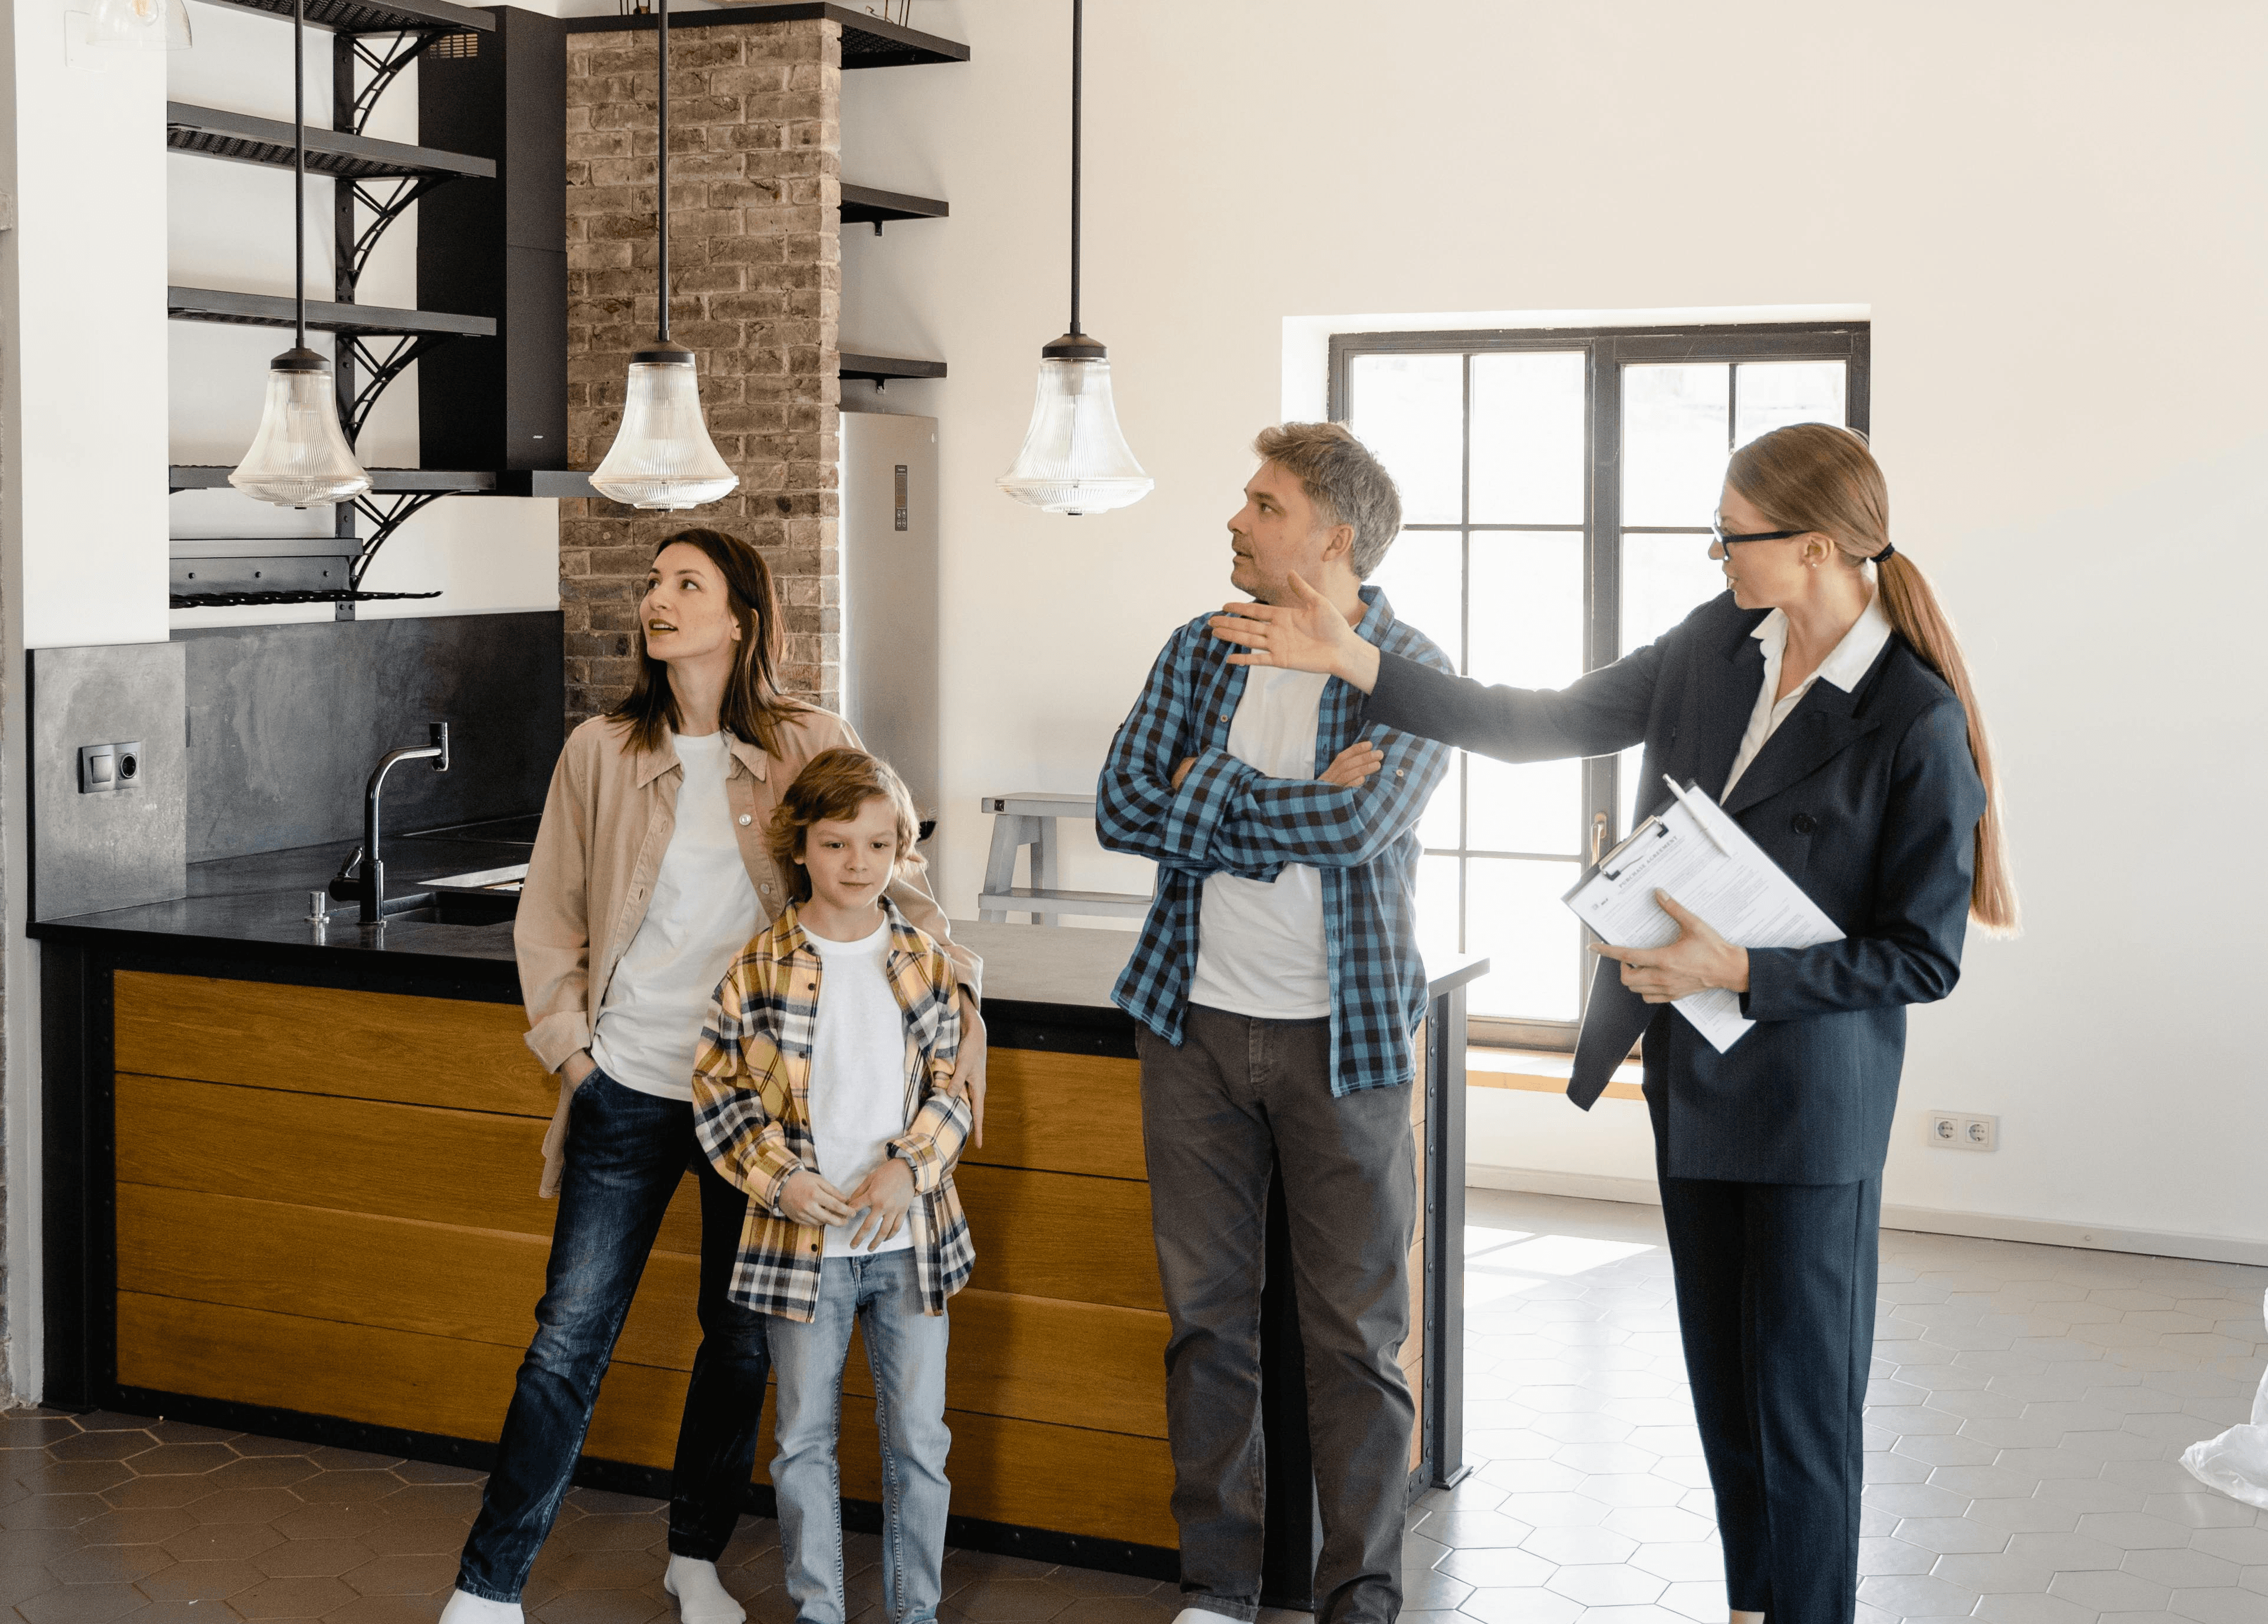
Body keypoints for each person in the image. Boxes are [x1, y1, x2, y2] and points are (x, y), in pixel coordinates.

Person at [1209, 422, 2017, 1624]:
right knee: (1725, 1394)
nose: (1716, 556)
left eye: (1734, 537)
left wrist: (1736, 961)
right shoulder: (1713, 645)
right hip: (1694, 1075)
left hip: (1810, 1107)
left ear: (1817, 547)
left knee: (1803, 1409)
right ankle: (1753, 1607)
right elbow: (1536, 723)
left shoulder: (1914, 717)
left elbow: (1920, 955)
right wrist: (1360, 663)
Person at [442, 532, 986, 1624]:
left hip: (766, 1112)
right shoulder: (598, 750)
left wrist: (962, 1007)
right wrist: (575, 1058)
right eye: (652, 583)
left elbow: (904, 891)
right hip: (630, 1088)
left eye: (685, 583)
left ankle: (694, 1555)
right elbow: (547, 918)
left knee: (737, 1338)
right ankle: (488, 1586)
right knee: (568, 1335)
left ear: (741, 615)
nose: (656, 599)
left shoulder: (811, 741)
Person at [1095, 422, 1453, 1624]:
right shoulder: (1202, 650)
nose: (1236, 521)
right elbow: (1123, 806)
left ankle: (1359, 1590)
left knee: (1355, 1338)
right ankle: (1221, 1584)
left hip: (1340, 1041)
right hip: (1189, 1024)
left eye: (1263, 504)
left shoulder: (1407, 664)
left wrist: (1212, 798)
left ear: (1333, 536)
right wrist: (1283, 798)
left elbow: (1363, 831)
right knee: (1207, 1327)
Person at [690, 747, 972, 1624]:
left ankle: (913, 1612)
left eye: (879, 843)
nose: (859, 862)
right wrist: (782, 1181)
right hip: (798, 1248)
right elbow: (719, 1091)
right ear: (800, 846)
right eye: (837, 842)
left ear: (901, 849)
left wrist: (909, 1164)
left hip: (910, 1245)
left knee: (919, 1444)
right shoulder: (757, 967)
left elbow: (954, 1091)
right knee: (803, 1441)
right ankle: (820, 1610)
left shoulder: (926, 961)